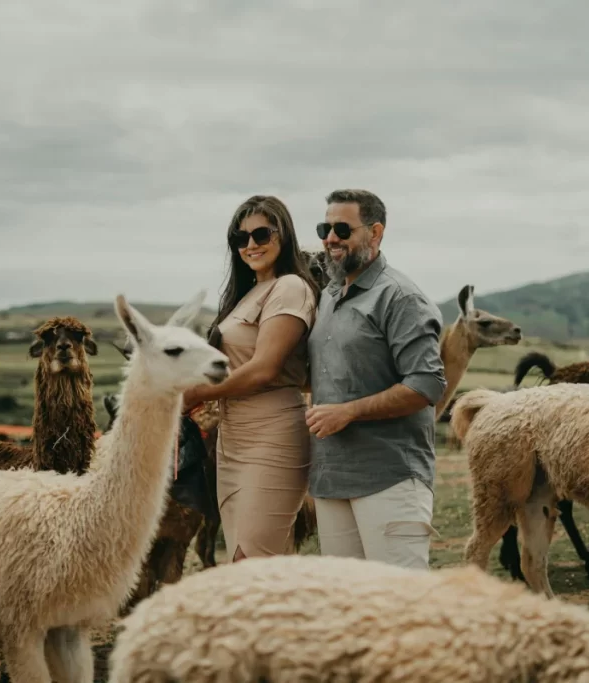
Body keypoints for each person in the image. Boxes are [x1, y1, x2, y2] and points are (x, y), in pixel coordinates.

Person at [305, 188, 447, 570]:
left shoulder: (400, 298)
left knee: (400, 609)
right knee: (345, 608)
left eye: (342, 229)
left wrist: (348, 411)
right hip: (331, 480)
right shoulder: (331, 294)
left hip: (389, 479)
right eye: (324, 228)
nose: (330, 238)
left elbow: (426, 384)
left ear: (376, 232)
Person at [181, 194, 320, 562]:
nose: (251, 245)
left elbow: (264, 368)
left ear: (283, 235)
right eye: (240, 239)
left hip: (273, 434)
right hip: (232, 437)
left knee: (252, 561)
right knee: (255, 565)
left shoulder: (289, 287)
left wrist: (195, 394)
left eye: (261, 234)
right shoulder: (246, 295)